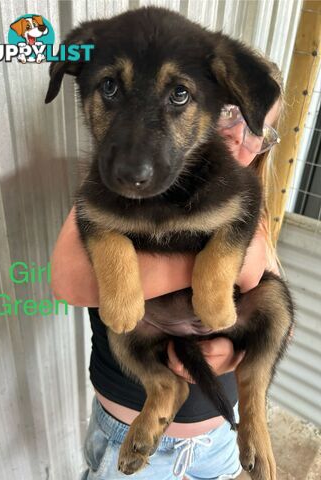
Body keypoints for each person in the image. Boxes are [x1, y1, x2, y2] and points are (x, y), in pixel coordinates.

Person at [51, 86, 282, 479]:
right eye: (228, 112)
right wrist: (231, 266)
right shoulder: (131, 175)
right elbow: (69, 282)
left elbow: (278, 321)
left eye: (256, 126)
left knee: (276, 303)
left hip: (219, 438)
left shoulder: (249, 203)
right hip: (127, 421)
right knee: (124, 323)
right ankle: (162, 391)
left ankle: (255, 416)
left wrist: (231, 352)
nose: (236, 134)